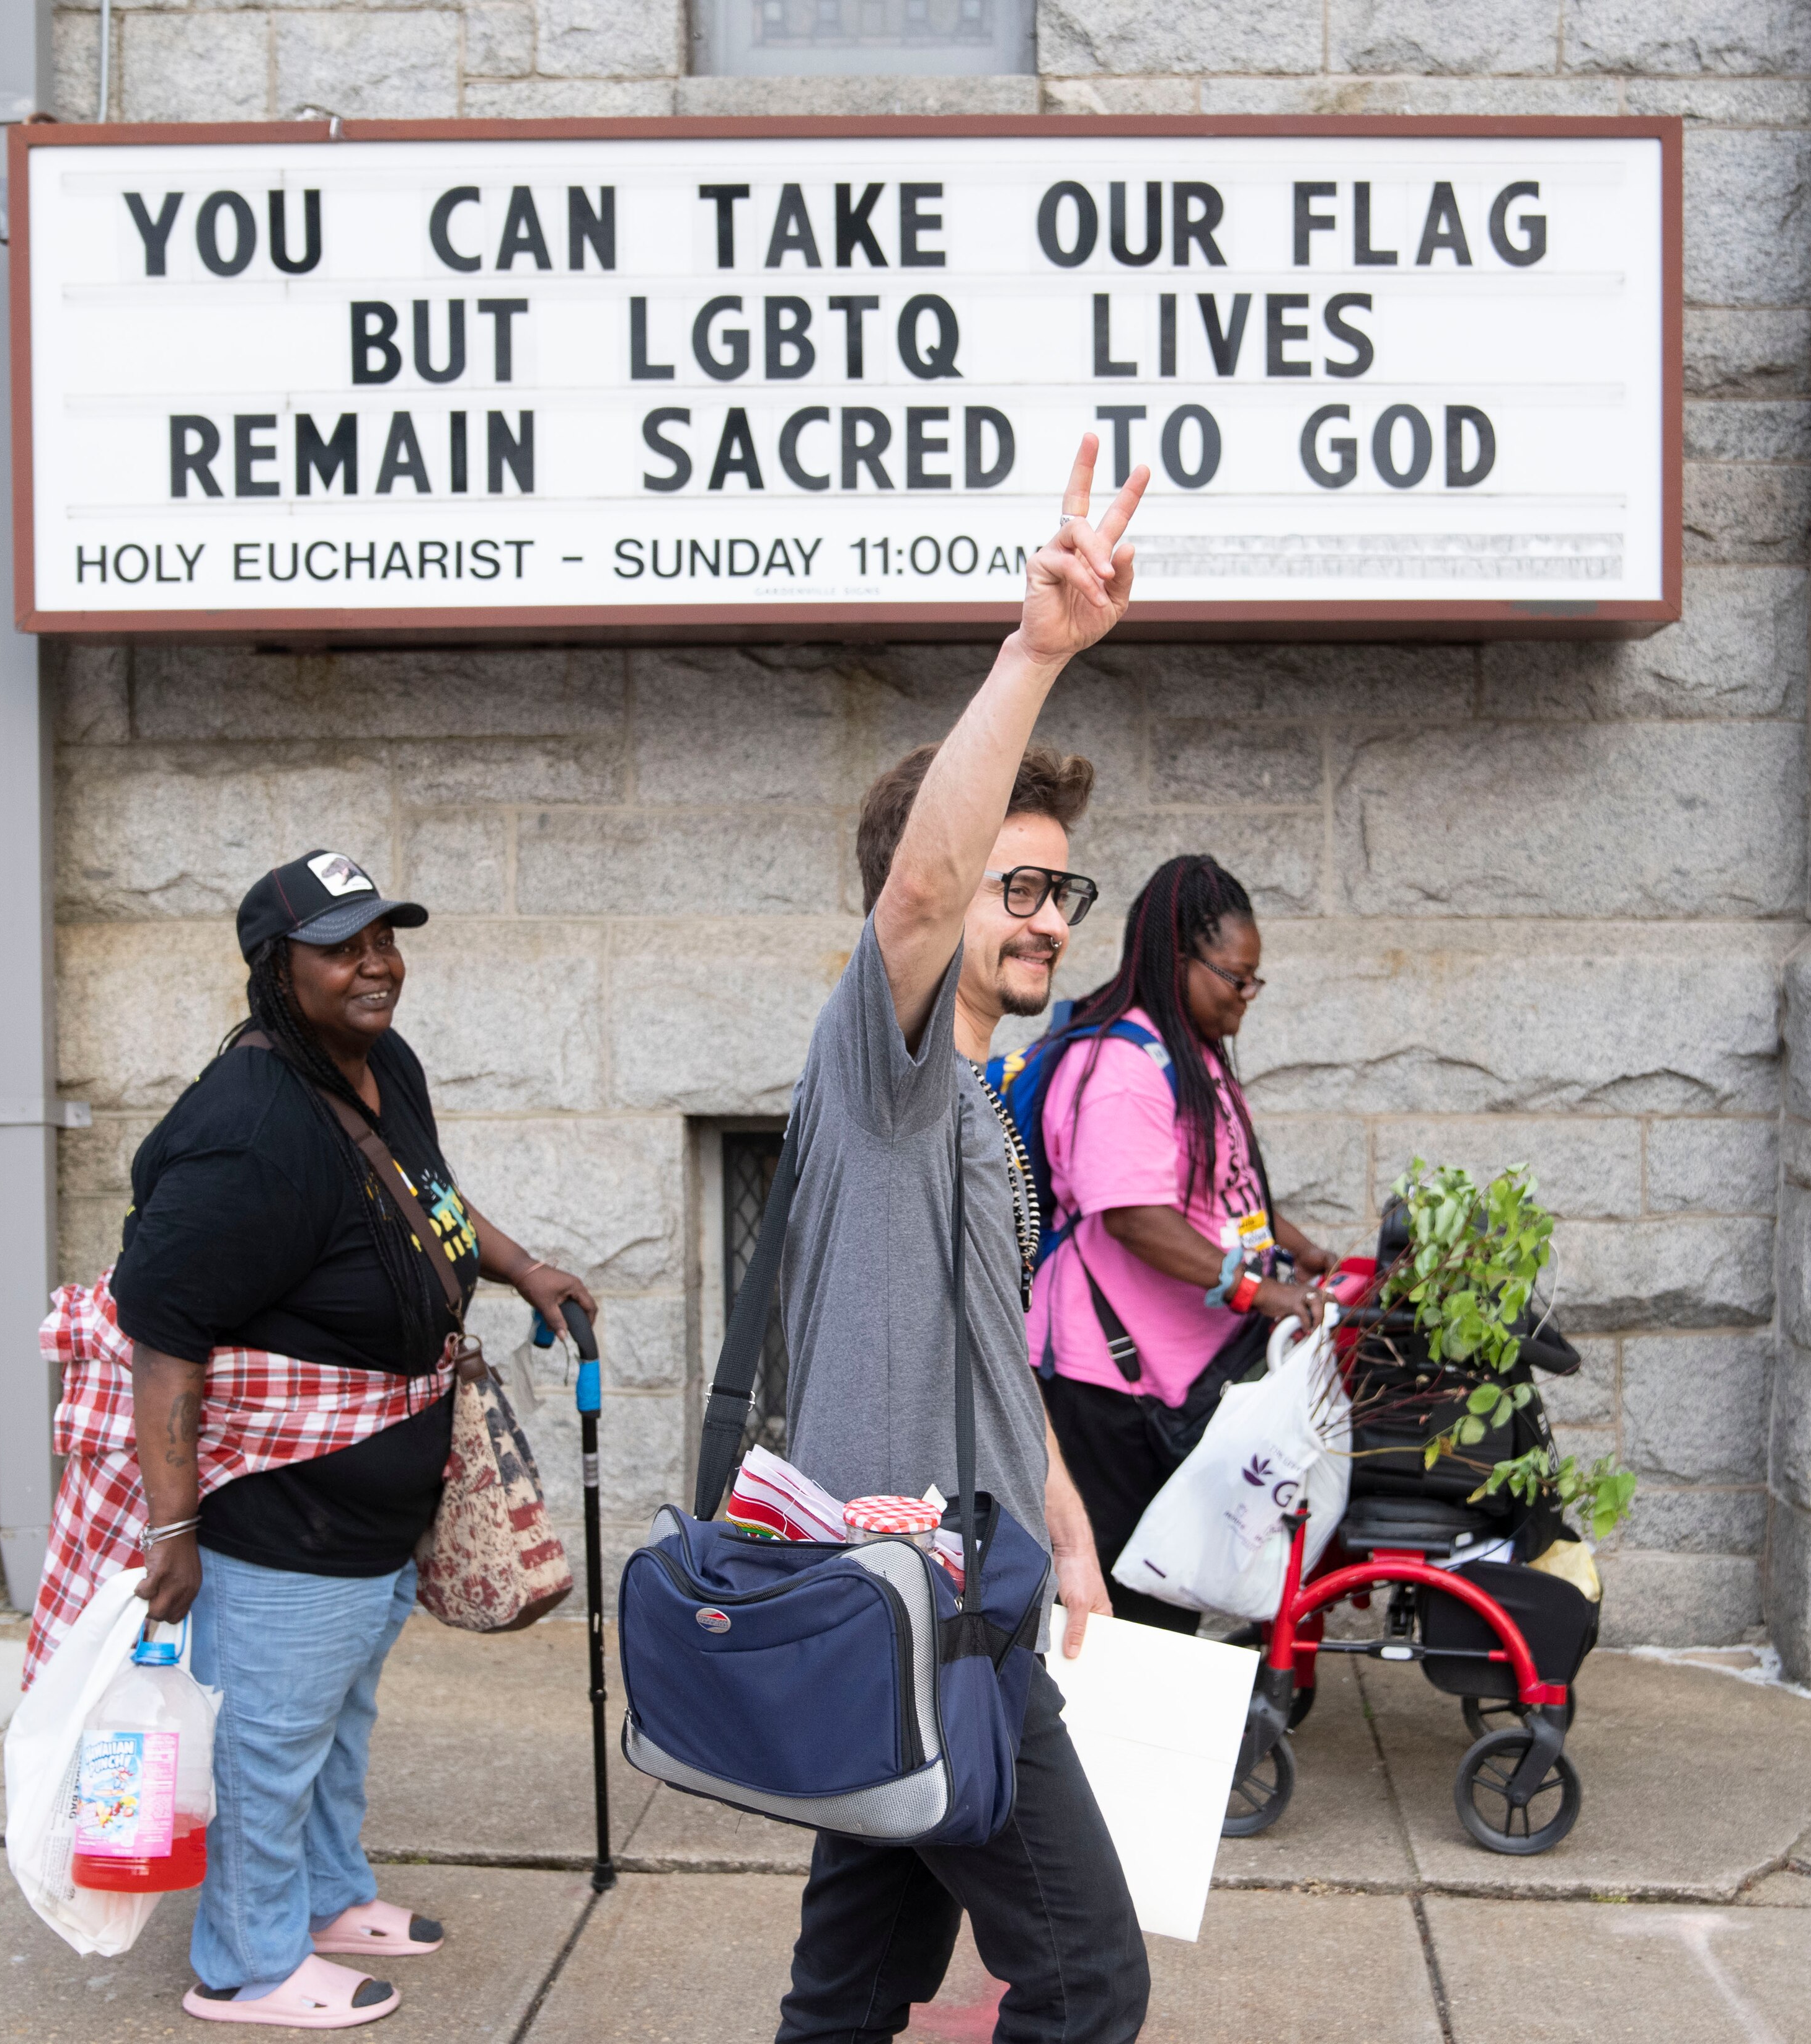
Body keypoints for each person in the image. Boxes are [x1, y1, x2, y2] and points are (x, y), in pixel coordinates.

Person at [770, 436, 1151, 2044]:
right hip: (924, 1619)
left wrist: (1068, 1530)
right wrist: (1038, 651)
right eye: (1018, 889)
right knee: (1081, 1981)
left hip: (943, 1594)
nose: (1047, 920)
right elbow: (927, 884)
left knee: (855, 1987)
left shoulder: (981, 1114)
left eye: (1064, 893)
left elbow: (991, 1352)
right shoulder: (887, 1065)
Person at [112, 851, 597, 2030]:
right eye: (343, 946)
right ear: (278, 970)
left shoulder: (382, 1066)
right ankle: (246, 1964)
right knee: (272, 1741)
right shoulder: (242, 1131)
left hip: (382, 1499)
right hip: (286, 1512)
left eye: (386, 938)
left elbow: (430, 1195)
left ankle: (328, 1901)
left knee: (337, 1720)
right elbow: (161, 1330)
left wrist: (523, 1266)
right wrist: (173, 1529)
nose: (375, 964)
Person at [1022, 854, 1336, 1632]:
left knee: (1167, 1595)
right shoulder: (1123, 1063)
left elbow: (1222, 1195)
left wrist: (1297, 1251)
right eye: (1236, 978)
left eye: (1253, 979)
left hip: (1175, 1375)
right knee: (1124, 1608)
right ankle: (1099, 1753)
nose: (1246, 997)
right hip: (1109, 1388)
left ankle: (1142, 1746)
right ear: (1179, 958)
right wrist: (1261, 1292)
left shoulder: (1190, 1052)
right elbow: (1132, 1214)